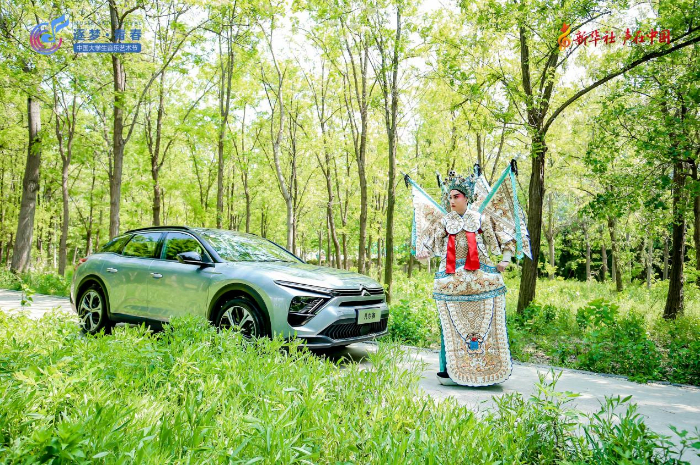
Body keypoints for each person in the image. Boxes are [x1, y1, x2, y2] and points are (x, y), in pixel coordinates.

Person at [406, 162, 532, 386]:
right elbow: (428, 245)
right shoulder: (444, 222)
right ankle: (448, 370)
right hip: (451, 281)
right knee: (449, 325)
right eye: (450, 197)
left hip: (481, 280)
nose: (452, 201)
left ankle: (489, 367)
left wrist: (505, 259)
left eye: (456, 196)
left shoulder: (480, 219)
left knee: (490, 324)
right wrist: (423, 253)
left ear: (466, 198)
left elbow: (503, 236)